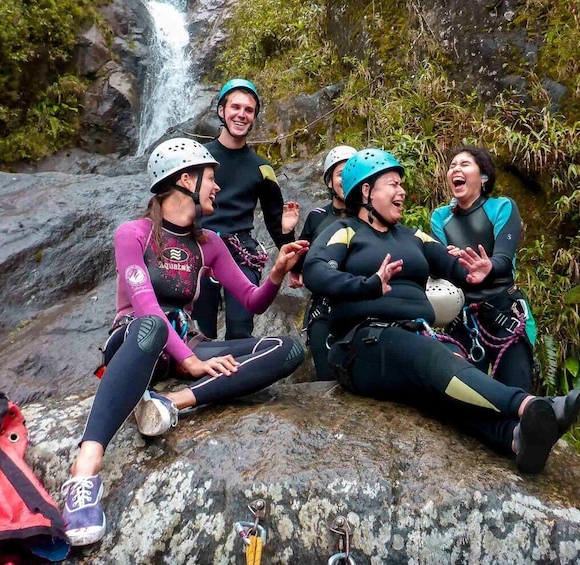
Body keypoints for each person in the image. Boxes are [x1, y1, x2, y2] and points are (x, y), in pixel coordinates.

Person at [60, 138, 308, 547]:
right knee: (153, 327)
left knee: (288, 348)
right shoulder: (133, 234)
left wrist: (278, 271)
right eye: (211, 179)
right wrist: (191, 360)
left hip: (184, 347)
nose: (217, 189)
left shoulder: (208, 243)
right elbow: (143, 304)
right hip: (137, 341)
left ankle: (169, 405)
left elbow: (252, 300)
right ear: (185, 179)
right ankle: (85, 472)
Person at [303, 148, 580, 475]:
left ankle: (515, 437)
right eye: (392, 184)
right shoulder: (346, 230)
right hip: (362, 343)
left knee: (444, 385)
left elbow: (451, 264)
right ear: (366, 191)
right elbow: (317, 270)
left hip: (413, 335)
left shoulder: (411, 236)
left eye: (401, 185)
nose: (402, 191)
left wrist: (477, 271)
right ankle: (529, 406)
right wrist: (367, 284)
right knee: (428, 357)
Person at [192, 78, 299, 340]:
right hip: (201, 248)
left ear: (254, 117)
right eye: (235, 107)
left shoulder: (262, 168)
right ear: (221, 111)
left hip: (242, 253)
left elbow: (276, 223)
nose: (241, 114)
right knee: (199, 331)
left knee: (241, 328)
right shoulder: (197, 158)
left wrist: (293, 255)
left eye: (248, 110)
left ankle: (239, 378)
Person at [431, 146, 538, 392]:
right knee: (465, 395)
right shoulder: (440, 218)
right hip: (464, 315)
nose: (456, 168)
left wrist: (487, 266)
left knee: (516, 391)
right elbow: (439, 267)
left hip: (505, 312)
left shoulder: (502, 207)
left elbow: (503, 259)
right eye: (452, 165)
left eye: (465, 164)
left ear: (484, 177)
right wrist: (447, 262)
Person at [289, 145, 357, 380]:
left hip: (362, 304)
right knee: (326, 377)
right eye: (340, 174)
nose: (347, 178)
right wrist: (287, 234)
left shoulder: (371, 216)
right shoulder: (317, 216)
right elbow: (299, 261)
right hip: (324, 307)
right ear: (329, 182)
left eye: (352, 172)